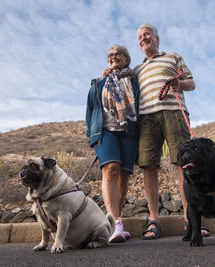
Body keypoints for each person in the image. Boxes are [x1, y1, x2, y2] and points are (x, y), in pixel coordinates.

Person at [134, 23, 209, 239]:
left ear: (157, 37)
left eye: (146, 34)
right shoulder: (137, 69)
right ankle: (154, 220)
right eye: (139, 36)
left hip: (174, 111)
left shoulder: (173, 57)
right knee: (148, 165)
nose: (143, 38)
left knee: (182, 163)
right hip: (146, 117)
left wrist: (179, 84)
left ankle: (191, 218)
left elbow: (191, 83)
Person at [85, 45, 139, 243]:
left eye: (118, 54)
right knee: (111, 168)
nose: (114, 57)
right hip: (104, 132)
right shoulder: (98, 83)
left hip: (129, 132)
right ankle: (114, 223)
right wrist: (91, 135)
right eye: (110, 55)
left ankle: (118, 220)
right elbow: (90, 112)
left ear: (127, 58)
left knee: (124, 175)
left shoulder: (134, 81)